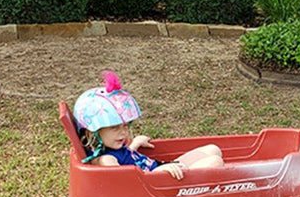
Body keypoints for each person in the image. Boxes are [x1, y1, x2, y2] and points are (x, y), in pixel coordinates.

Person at [73, 71, 223, 180]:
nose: (123, 132)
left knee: (213, 149)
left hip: (163, 168)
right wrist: (159, 173)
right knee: (215, 162)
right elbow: (130, 184)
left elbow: (126, 161)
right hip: (161, 181)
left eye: (125, 126)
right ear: (94, 133)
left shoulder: (113, 148)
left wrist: (135, 144)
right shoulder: (107, 160)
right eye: (115, 128)